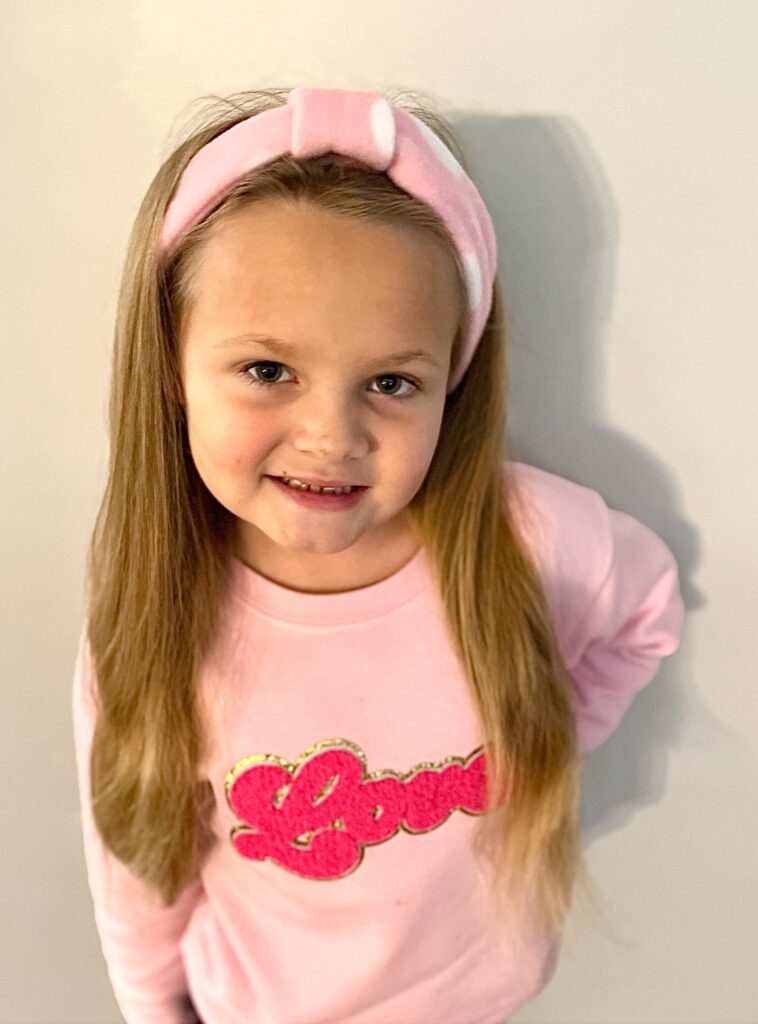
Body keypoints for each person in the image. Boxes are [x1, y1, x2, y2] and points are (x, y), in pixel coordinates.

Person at [71, 85, 686, 1024]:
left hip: (480, 997)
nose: (331, 436)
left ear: (453, 384)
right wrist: (154, 1009)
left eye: (392, 381)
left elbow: (646, 611)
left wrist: (551, 737)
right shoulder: (159, 616)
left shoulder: (525, 540)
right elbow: (136, 865)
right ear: (170, 363)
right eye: (269, 370)